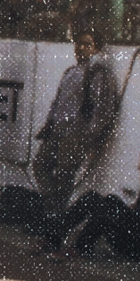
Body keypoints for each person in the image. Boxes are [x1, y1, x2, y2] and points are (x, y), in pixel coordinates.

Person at [39, 143, 140, 262]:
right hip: (138, 233)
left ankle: (80, 248)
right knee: (101, 199)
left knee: (104, 211)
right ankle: (53, 237)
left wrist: (124, 216)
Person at [30, 31, 120, 217]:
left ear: (96, 49)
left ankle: (56, 218)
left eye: (87, 45)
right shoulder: (71, 72)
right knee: (40, 165)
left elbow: (102, 109)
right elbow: (58, 102)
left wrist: (89, 136)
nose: (81, 48)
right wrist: (49, 125)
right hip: (57, 131)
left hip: (76, 134)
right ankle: (52, 210)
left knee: (64, 176)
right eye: (79, 44)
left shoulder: (98, 74)